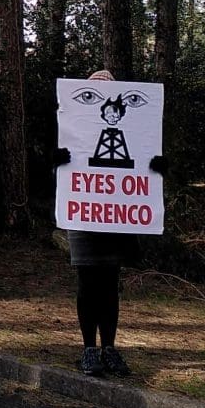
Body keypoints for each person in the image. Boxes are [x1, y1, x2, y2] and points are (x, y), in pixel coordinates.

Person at [59, 70, 140, 378]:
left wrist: (155, 167)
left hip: (116, 217)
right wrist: (58, 161)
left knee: (109, 283)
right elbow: (59, 172)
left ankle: (109, 347)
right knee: (87, 282)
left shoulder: (132, 131)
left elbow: (141, 159)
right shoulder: (71, 129)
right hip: (83, 215)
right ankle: (88, 349)